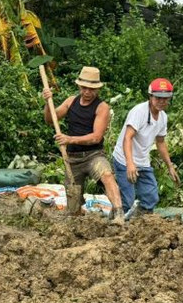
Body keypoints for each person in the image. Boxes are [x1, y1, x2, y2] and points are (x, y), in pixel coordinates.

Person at [41, 66, 124, 222]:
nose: (87, 92)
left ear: (97, 89)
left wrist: (69, 139)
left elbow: (96, 137)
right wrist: (47, 103)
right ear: (79, 86)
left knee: (106, 174)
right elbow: (50, 120)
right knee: (73, 209)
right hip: (72, 158)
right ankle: (80, 221)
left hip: (93, 155)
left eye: (91, 89)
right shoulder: (71, 101)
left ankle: (119, 213)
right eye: (84, 88)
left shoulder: (102, 107)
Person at [112, 78, 179, 216]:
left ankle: (140, 224)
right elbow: (127, 137)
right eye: (158, 98)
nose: (162, 101)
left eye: (165, 99)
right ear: (150, 96)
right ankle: (112, 225)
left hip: (142, 161)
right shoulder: (139, 112)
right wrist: (130, 164)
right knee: (127, 200)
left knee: (151, 197)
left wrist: (170, 166)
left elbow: (160, 142)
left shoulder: (163, 117)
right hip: (124, 160)